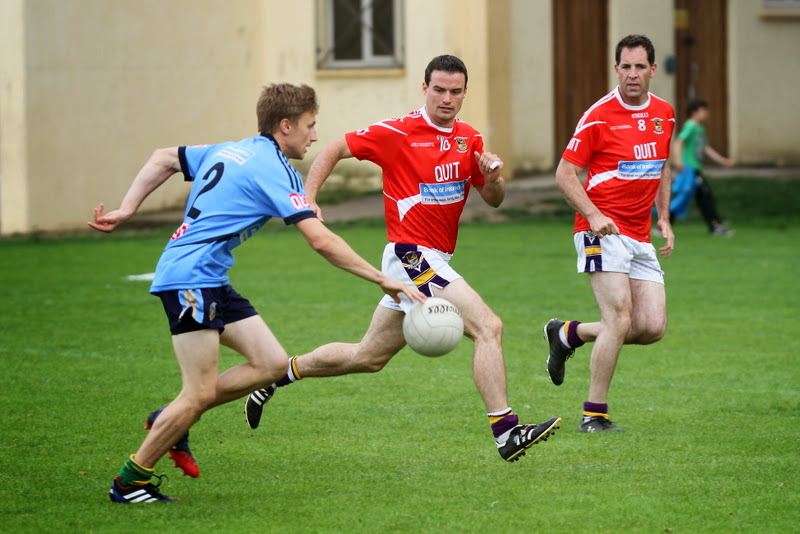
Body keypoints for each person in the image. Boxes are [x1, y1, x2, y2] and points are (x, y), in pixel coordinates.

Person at [90, 83, 425, 503]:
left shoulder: (234, 148)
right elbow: (320, 241)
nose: (315, 136)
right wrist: (382, 278)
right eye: (310, 126)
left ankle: (168, 421)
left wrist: (128, 207)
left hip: (209, 276)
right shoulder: (274, 169)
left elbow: (163, 158)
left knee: (269, 364)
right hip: (190, 278)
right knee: (197, 393)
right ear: (285, 126)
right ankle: (130, 481)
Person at [245, 55, 561, 462]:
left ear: (465, 93)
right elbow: (336, 147)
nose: (447, 99)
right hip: (410, 254)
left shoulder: (469, 140)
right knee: (488, 327)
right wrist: (308, 200)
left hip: (433, 258)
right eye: (439, 90)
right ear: (424, 88)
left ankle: (275, 376)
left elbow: (494, 200)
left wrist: (495, 176)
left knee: (368, 357)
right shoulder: (398, 132)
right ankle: (506, 431)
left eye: (455, 91)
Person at [543, 35, 676, 432]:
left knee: (651, 327)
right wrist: (593, 213)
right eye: (625, 67)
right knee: (619, 318)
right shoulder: (599, 115)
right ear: (616, 69)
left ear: (653, 70)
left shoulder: (664, 113)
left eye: (640, 67)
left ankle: (568, 334)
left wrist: (664, 217)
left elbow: (662, 165)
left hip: (638, 232)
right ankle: (593, 414)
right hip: (599, 230)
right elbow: (564, 174)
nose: (632, 74)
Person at [670, 98, 734, 236]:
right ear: (694, 112)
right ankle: (715, 225)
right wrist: (677, 161)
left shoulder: (699, 128)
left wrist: (723, 161)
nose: (706, 113)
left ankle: (665, 224)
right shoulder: (690, 126)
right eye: (703, 110)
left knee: (689, 197)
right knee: (704, 197)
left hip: (695, 168)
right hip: (689, 169)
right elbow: (678, 142)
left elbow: (706, 148)